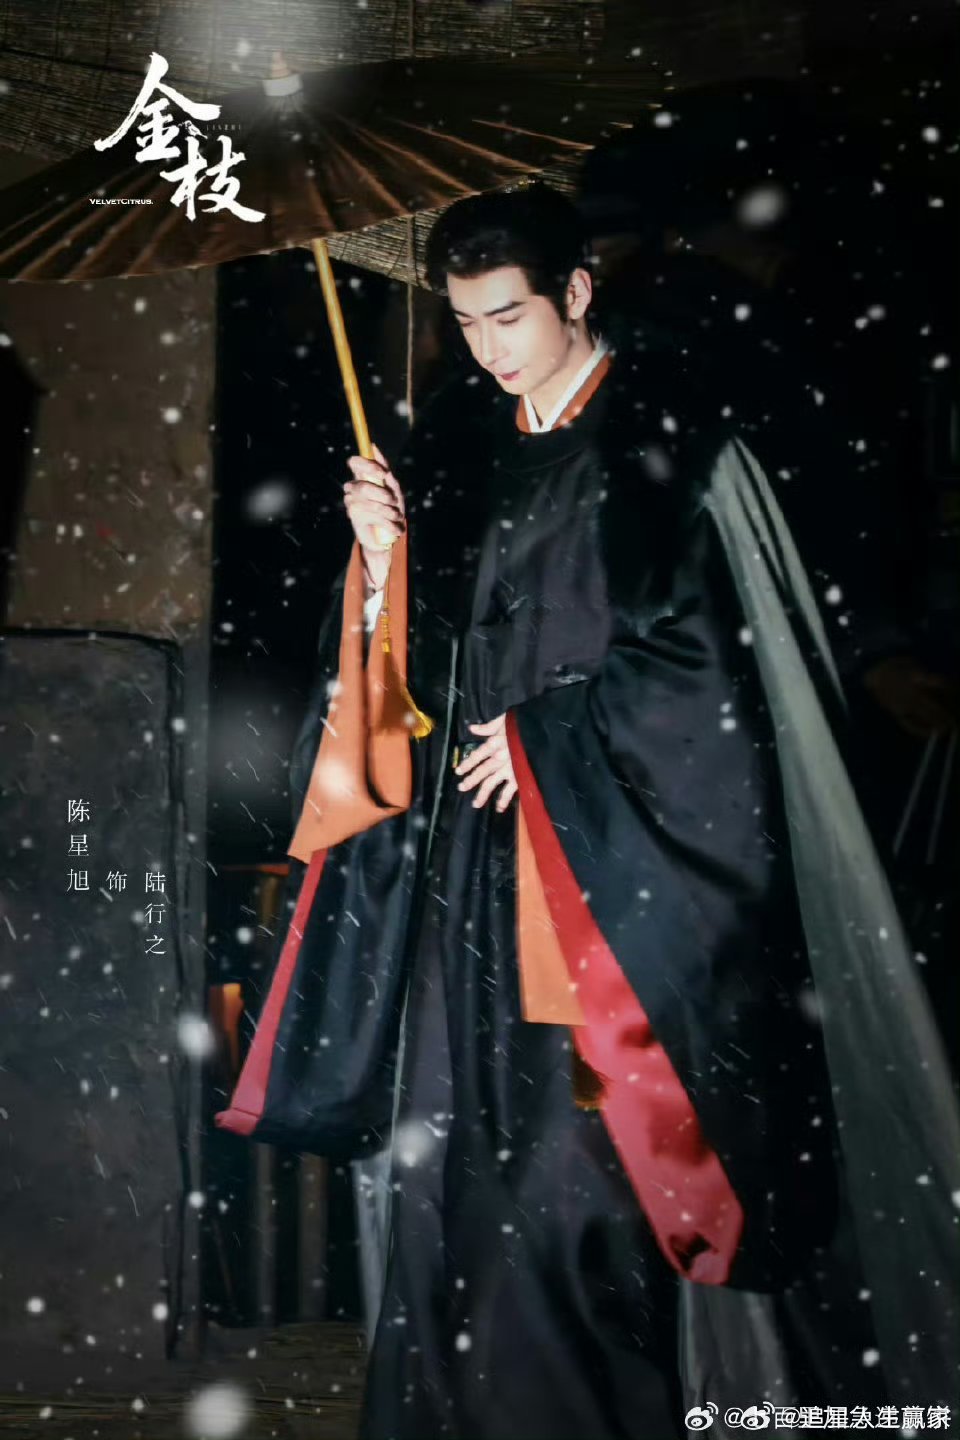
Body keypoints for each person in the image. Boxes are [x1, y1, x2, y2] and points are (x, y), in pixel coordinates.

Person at [282, 184, 959, 1438]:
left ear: (576, 293)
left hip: (618, 871)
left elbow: (710, 672)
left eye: (509, 316)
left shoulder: (667, 445)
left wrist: (551, 737)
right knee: (451, 1171)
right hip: (478, 875)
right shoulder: (463, 453)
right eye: (466, 323)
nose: (488, 349)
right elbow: (421, 668)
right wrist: (382, 560)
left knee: (576, 1183)